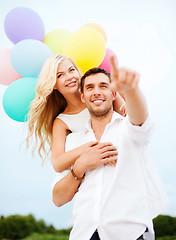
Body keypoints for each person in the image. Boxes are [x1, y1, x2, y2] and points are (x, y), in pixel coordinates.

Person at [52, 59, 167, 240]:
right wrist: (80, 167)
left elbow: (141, 118)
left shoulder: (128, 128)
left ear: (114, 94)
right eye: (89, 87)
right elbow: (58, 198)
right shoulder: (74, 139)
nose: (96, 92)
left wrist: (132, 90)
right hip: (84, 234)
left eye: (103, 86)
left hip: (130, 233)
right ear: (82, 96)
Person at [26, 54, 126, 170]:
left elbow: (129, 119)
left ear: (78, 72)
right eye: (60, 75)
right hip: (97, 171)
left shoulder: (103, 95)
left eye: (71, 70)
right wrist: (90, 148)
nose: (69, 77)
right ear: (53, 84)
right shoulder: (62, 121)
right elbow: (58, 163)